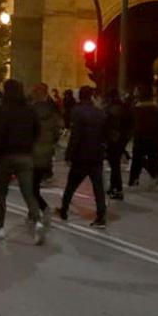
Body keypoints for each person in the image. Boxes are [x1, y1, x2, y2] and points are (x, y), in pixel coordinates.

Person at [0, 78, 45, 243]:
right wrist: (29, 145)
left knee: (1, 194)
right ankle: (37, 223)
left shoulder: (2, 110)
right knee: (28, 193)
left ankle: (0, 228)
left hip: (6, 155)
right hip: (25, 155)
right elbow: (37, 130)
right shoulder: (29, 110)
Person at [58, 86, 109, 229]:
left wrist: (69, 154)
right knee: (98, 187)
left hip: (81, 155)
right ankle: (101, 216)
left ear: (80, 97)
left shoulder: (77, 112)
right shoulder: (100, 113)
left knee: (71, 185)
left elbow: (76, 136)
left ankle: (64, 210)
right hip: (96, 154)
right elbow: (105, 134)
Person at [29, 82, 62, 217]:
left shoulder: (30, 111)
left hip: (32, 152)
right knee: (34, 184)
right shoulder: (52, 110)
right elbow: (57, 131)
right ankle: (33, 212)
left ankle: (43, 208)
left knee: (31, 187)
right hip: (46, 151)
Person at [104, 89, 133, 200]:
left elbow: (110, 125)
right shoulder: (123, 107)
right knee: (114, 164)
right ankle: (114, 187)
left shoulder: (113, 109)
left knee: (114, 165)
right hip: (120, 139)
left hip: (114, 140)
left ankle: (118, 189)